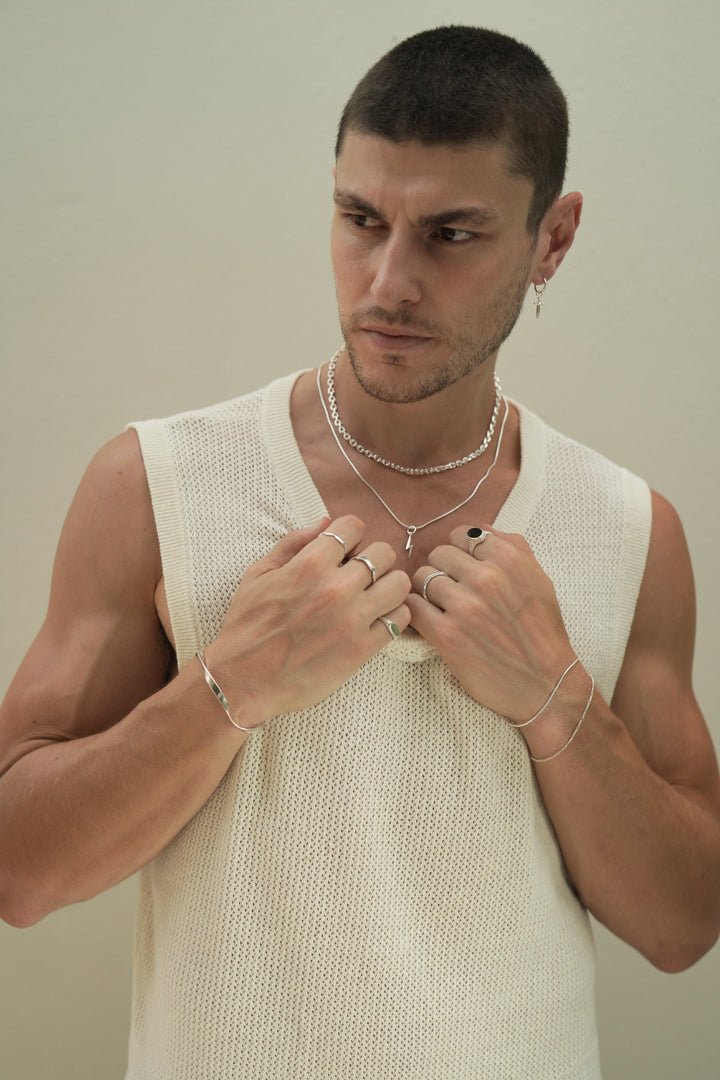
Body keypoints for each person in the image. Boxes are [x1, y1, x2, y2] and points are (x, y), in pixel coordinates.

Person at [1, 24, 719, 1080]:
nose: (388, 281)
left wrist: (554, 698)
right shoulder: (156, 483)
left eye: (451, 235)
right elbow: (19, 872)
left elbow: (683, 924)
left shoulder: (627, 528)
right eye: (360, 219)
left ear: (552, 240)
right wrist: (228, 685)